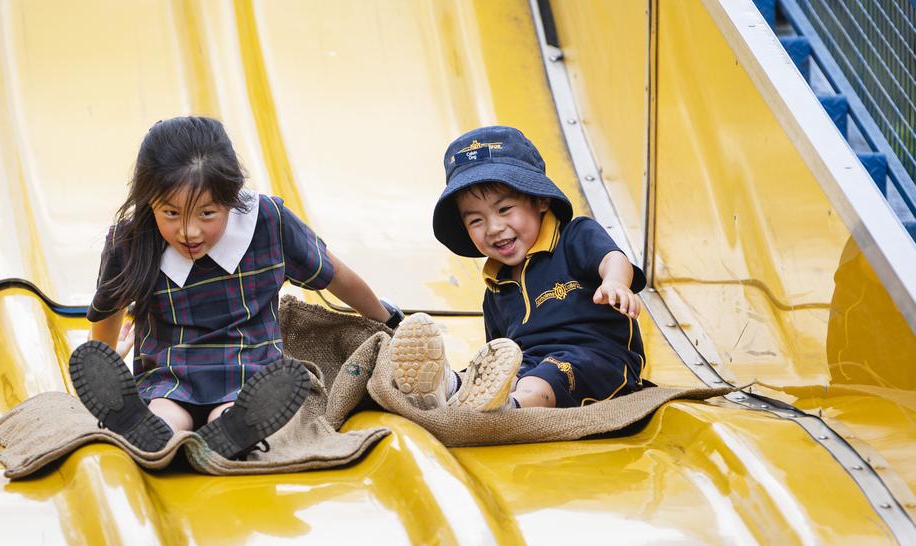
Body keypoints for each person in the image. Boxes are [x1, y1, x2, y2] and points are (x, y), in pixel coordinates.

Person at [70, 116, 401, 458]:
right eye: (171, 213)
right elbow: (110, 309)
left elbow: (336, 276)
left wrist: (386, 320)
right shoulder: (133, 239)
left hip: (249, 374)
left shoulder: (267, 223)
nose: (189, 232)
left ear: (231, 196)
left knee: (229, 409)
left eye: (207, 214)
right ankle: (160, 433)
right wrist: (103, 365)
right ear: (148, 200)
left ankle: (225, 432)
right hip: (172, 376)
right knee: (166, 412)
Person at [390, 125, 645, 411]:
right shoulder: (496, 288)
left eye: (504, 210)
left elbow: (612, 258)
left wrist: (615, 282)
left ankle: (507, 409)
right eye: (476, 221)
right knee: (498, 375)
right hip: (528, 364)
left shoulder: (574, 237)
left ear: (540, 200)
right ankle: (447, 386)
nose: (494, 228)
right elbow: (500, 353)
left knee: (537, 383)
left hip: (596, 358)